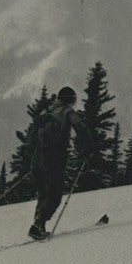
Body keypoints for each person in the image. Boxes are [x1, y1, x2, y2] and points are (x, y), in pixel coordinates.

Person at [28, 86, 93, 241]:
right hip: (55, 156)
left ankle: (39, 227)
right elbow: (81, 128)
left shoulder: (46, 111)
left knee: (43, 193)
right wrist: (87, 148)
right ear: (70, 99)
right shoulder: (67, 112)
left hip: (38, 156)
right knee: (55, 193)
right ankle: (37, 226)